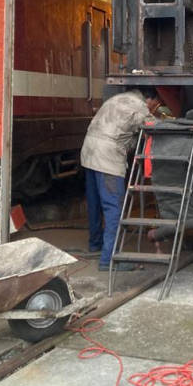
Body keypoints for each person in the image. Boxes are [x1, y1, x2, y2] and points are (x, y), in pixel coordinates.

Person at [80, 87, 161, 272]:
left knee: (94, 204)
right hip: (107, 157)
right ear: (149, 99)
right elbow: (154, 126)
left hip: (88, 152)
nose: (153, 108)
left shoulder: (116, 99)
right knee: (113, 208)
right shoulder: (139, 106)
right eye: (154, 105)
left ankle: (95, 244)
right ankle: (108, 259)